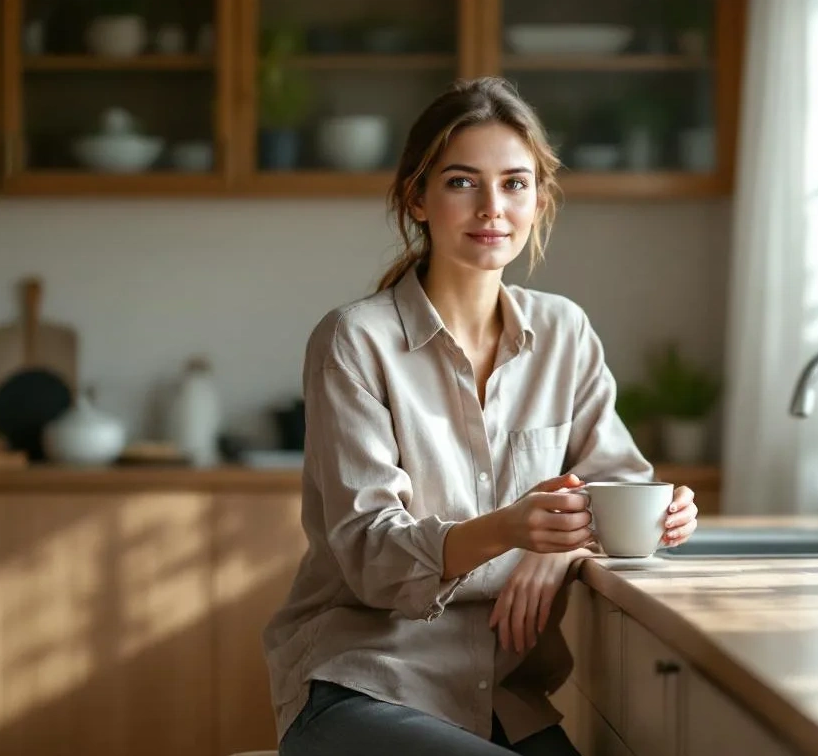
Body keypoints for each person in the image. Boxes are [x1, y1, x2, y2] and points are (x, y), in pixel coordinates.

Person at [264, 76, 701, 756]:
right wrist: (510, 529)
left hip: (507, 701)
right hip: (367, 684)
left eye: (516, 184)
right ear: (418, 196)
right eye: (464, 182)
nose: (493, 208)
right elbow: (372, 556)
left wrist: (562, 545)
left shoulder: (565, 332)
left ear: (539, 198)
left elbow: (613, 482)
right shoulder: (355, 340)